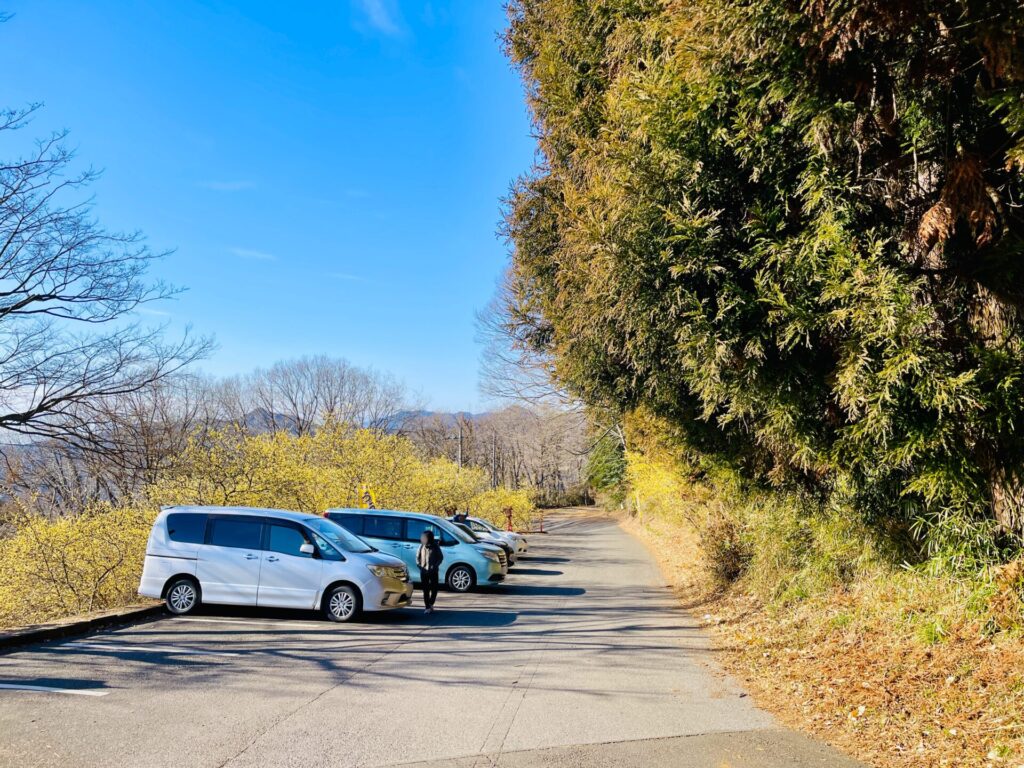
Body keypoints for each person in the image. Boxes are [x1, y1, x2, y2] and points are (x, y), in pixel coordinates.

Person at [416, 529, 443, 614]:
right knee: (425, 590)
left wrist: (435, 566)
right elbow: (417, 558)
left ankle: (431, 603)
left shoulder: (435, 546)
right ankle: (427, 607)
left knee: (434, 589)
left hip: (433, 571)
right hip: (424, 571)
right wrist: (420, 567)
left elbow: (440, 557)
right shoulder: (421, 546)